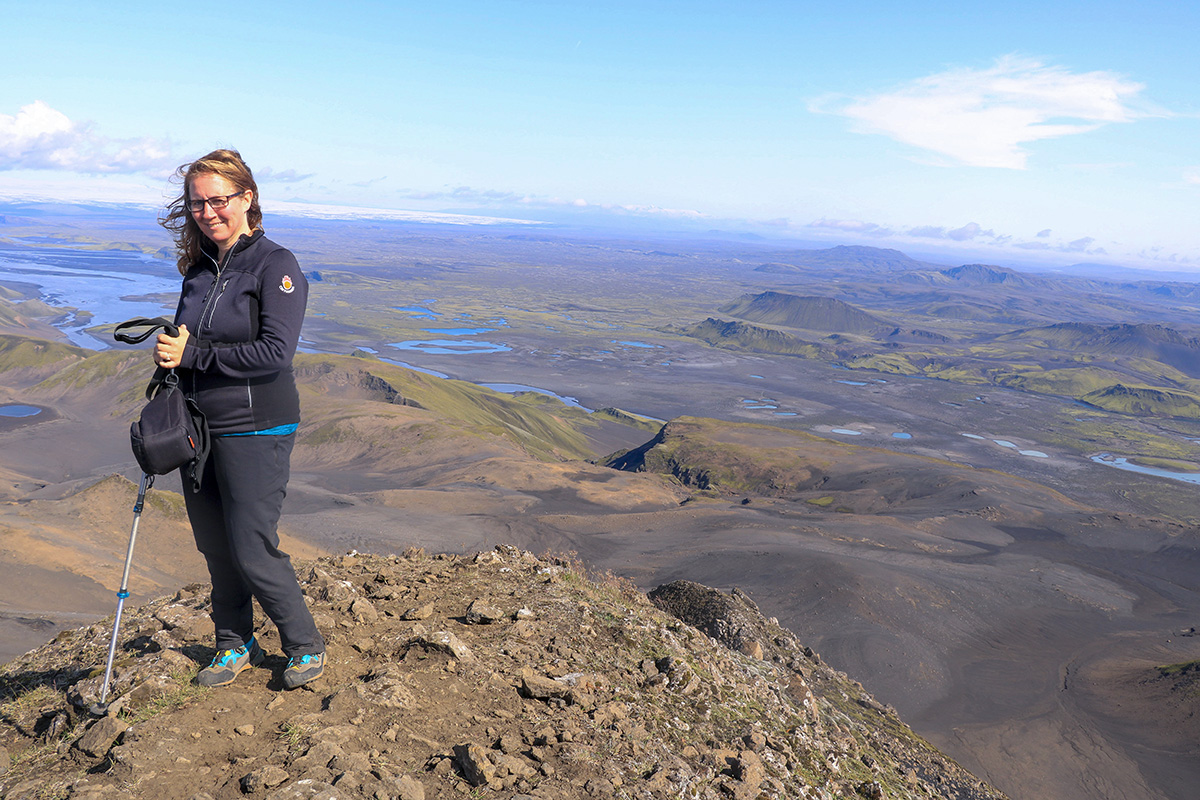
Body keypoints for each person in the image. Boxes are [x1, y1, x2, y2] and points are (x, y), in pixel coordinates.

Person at [155, 149, 325, 689]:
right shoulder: (200, 267)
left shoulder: (276, 265)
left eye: (218, 200)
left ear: (247, 198)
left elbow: (274, 353)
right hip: (198, 428)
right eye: (197, 203)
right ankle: (234, 643)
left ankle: (303, 644)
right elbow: (195, 343)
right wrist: (172, 359)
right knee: (214, 544)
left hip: (257, 427)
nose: (207, 212)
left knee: (251, 543)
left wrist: (193, 355)